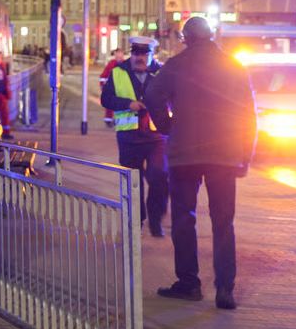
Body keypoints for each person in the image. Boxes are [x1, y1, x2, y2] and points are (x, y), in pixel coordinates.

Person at [143, 16, 257, 310]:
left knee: (184, 218)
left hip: (185, 155)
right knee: (223, 222)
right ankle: (225, 289)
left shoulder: (176, 65)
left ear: (186, 39)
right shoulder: (233, 66)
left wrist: (166, 126)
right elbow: (248, 114)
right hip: (224, 156)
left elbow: (152, 94)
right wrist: (245, 154)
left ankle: (189, 283)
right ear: (211, 36)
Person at [100, 36, 168, 237]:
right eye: (136, 53)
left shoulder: (163, 73)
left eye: (144, 54)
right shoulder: (118, 72)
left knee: (159, 176)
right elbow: (106, 99)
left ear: (152, 55)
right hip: (129, 137)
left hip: (156, 136)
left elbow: (174, 98)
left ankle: (156, 220)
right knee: (132, 181)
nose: (139, 58)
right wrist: (127, 104)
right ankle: (136, 220)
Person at [99, 47, 127, 126]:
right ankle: (108, 120)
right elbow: (103, 75)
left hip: (122, 88)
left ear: (123, 55)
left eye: (120, 56)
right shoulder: (111, 64)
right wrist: (102, 85)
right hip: (112, 87)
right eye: (117, 56)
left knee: (121, 104)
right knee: (110, 104)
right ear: (115, 55)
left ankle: (120, 120)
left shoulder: (126, 64)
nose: (119, 58)